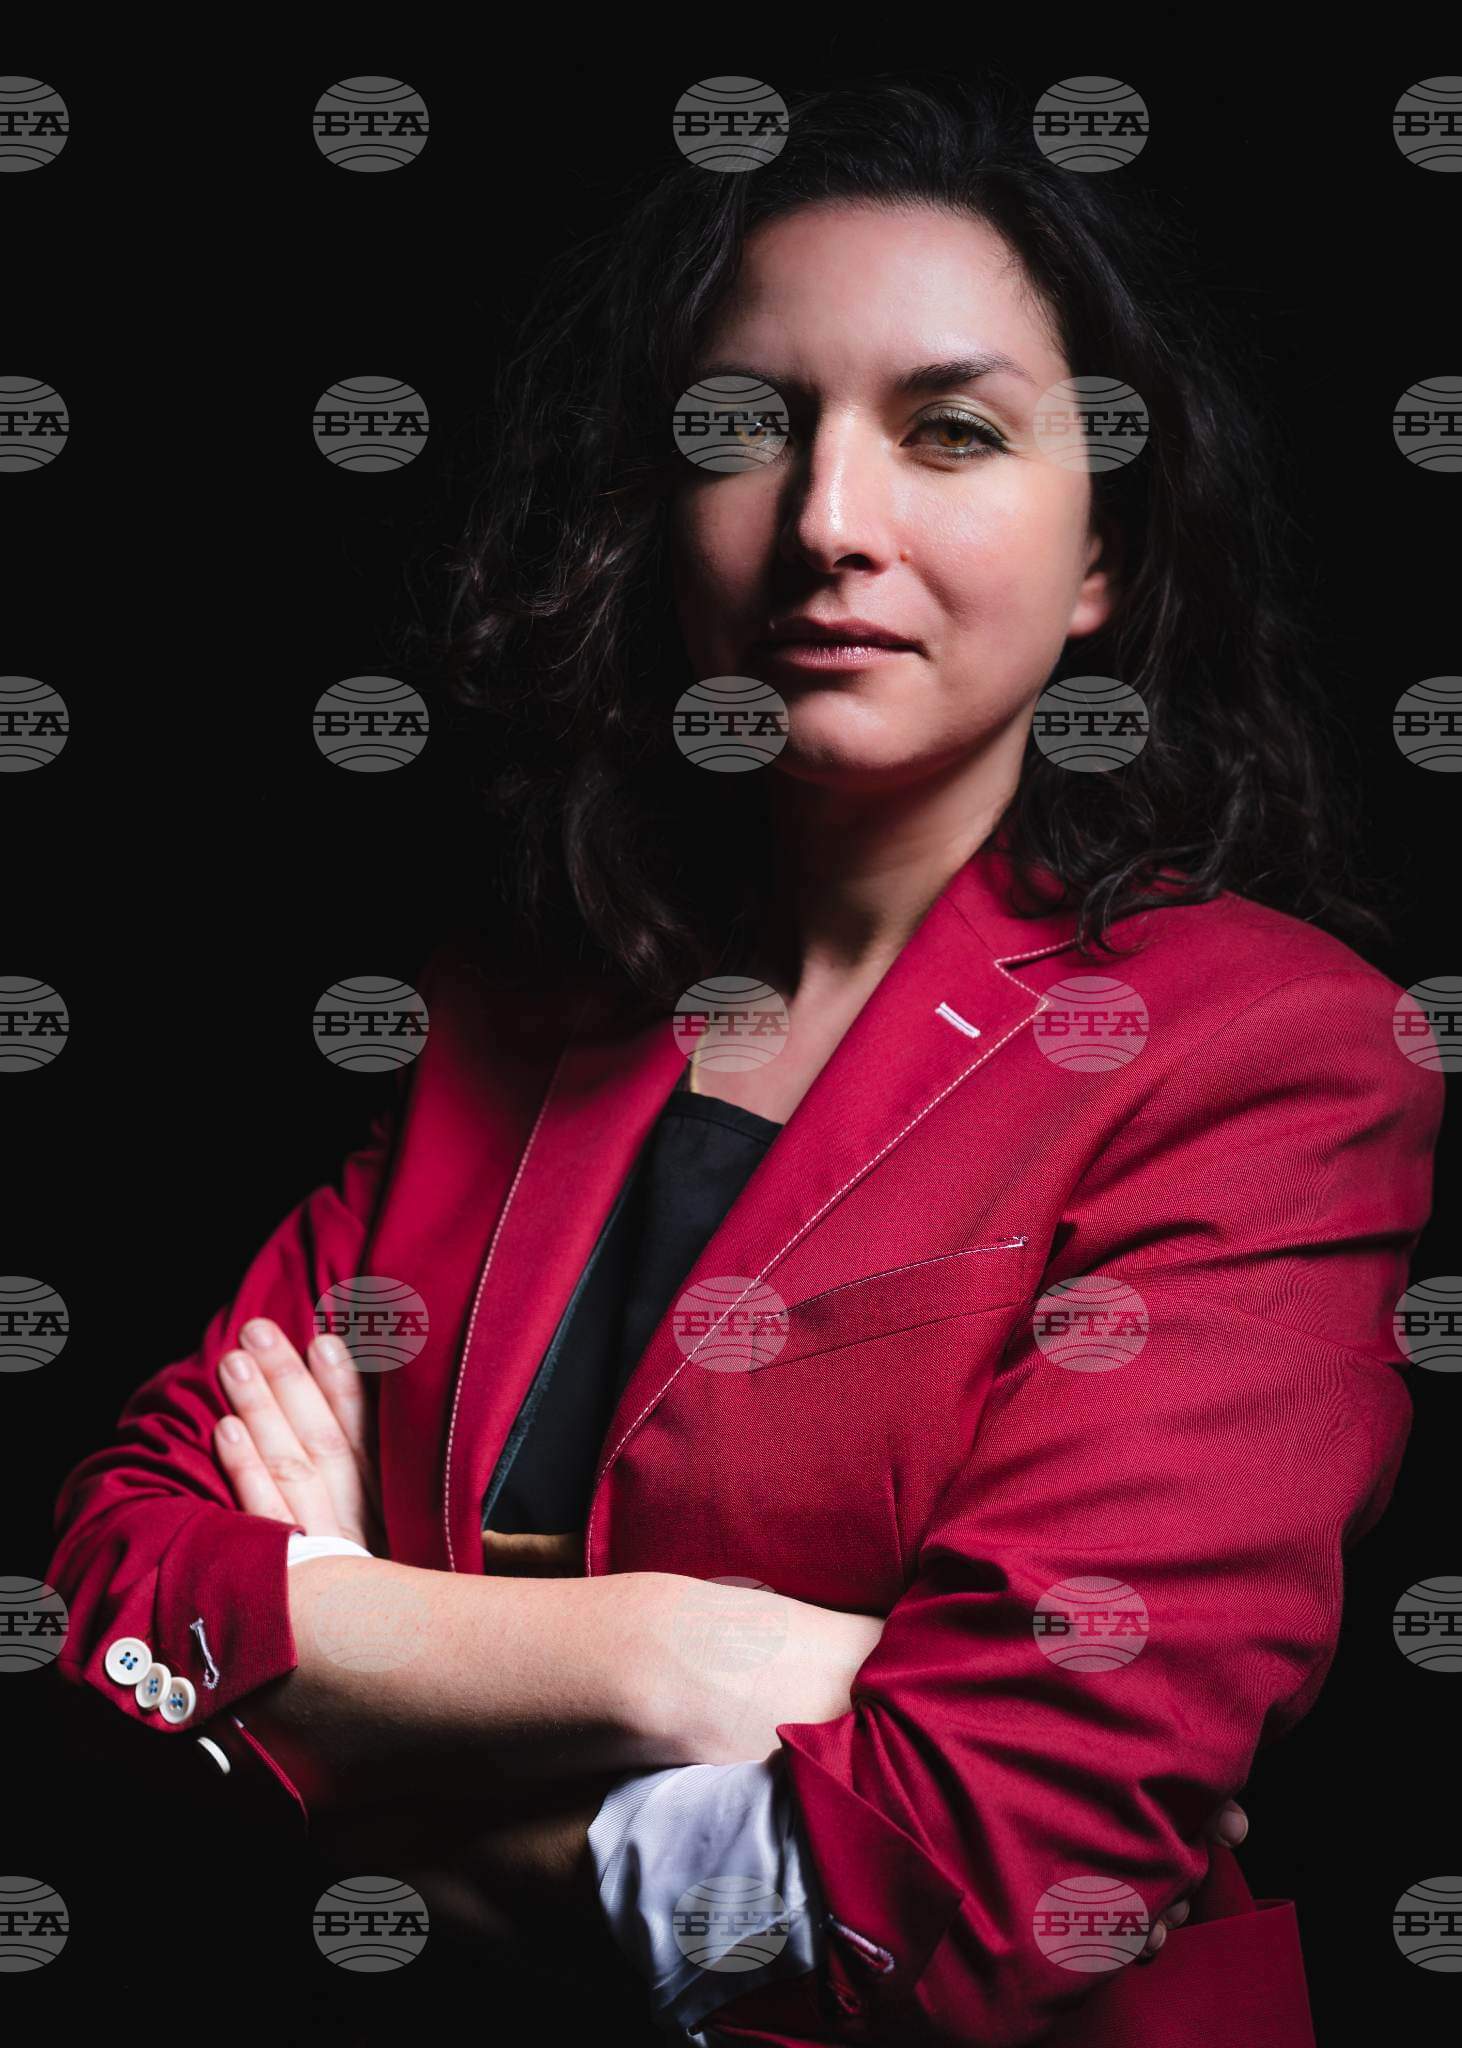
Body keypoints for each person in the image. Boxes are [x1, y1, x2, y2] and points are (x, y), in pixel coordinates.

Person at [47, 76, 1441, 2048]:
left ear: (1104, 554)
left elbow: (985, 1863)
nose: (824, 522)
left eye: (949, 430)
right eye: (744, 430)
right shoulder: (513, 1013)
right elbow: (112, 1598)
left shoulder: (1262, 1052)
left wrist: (365, 1732)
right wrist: (672, 1657)